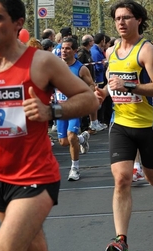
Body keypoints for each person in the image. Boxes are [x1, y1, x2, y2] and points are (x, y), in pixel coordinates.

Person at [0, 1, 99, 251]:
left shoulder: (41, 62)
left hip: (33, 177)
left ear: (18, 24)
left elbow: (89, 99)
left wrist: (51, 111)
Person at [97, 1, 153, 251]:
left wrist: (130, 87)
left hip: (149, 126)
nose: (121, 22)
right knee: (122, 179)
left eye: (127, 17)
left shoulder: (146, 51)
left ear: (139, 20)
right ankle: (121, 240)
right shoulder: (112, 51)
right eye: (117, 18)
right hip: (120, 124)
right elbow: (111, 84)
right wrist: (102, 93)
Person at [56, 37, 95, 181]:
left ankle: (75, 168)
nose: (63, 51)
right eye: (62, 48)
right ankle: (82, 138)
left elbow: (91, 85)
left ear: (74, 51)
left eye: (67, 48)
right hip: (59, 108)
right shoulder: (55, 66)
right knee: (64, 142)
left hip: (74, 108)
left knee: (71, 136)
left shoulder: (81, 68)